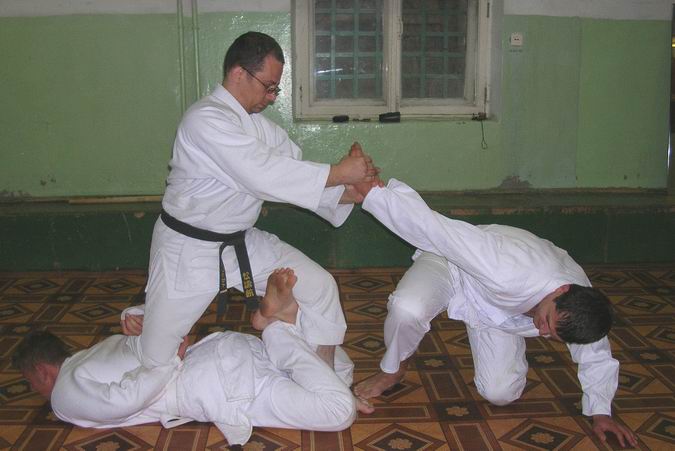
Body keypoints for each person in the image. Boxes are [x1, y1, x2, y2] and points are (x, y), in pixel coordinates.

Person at [347, 165, 638, 448]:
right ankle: (394, 369)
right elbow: (437, 230)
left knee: (500, 393)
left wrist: (601, 413)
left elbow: (596, 355)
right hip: (452, 264)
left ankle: (498, 347)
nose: (542, 331)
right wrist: (374, 194)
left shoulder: (581, 308)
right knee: (407, 308)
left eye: (552, 335)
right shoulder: (507, 268)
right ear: (561, 290)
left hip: (496, 311)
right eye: (547, 322)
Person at [139, 31, 378, 371]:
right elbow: (263, 173)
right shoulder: (203, 120)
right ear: (239, 73)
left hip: (240, 241)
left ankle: (326, 381)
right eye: (269, 86)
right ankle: (143, 319)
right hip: (188, 251)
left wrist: (347, 192)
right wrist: (340, 173)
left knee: (321, 288)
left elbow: (291, 170)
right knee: (155, 360)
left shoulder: (258, 127)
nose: (271, 97)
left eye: (275, 89)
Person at [13, 269, 372, 447]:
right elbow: (156, 324)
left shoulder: (63, 392)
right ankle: (281, 329)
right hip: (228, 349)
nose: (39, 393)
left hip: (217, 385)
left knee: (339, 411)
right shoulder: (104, 347)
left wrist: (171, 360)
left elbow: (123, 399)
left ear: (42, 371)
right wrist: (136, 313)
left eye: (32, 384)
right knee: (340, 370)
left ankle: (278, 326)